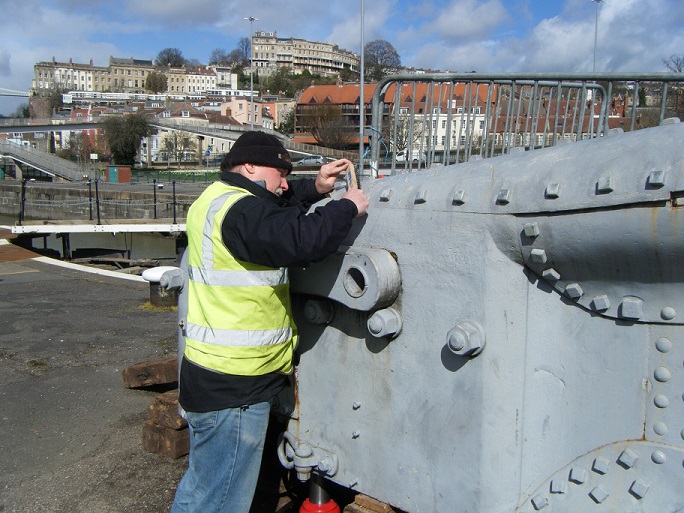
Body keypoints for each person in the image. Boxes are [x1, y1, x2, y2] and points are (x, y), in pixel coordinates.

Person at [170, 131, 368, 513]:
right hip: (237, 386)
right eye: (281, 172)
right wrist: (347, 206)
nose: (283, 181)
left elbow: (272, 209)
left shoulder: (216, 199)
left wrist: (316, 187)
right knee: (220, 500)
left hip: (210, 373)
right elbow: (298, 239)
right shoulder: (242, 211)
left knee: (201, 489)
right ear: (250, 167)